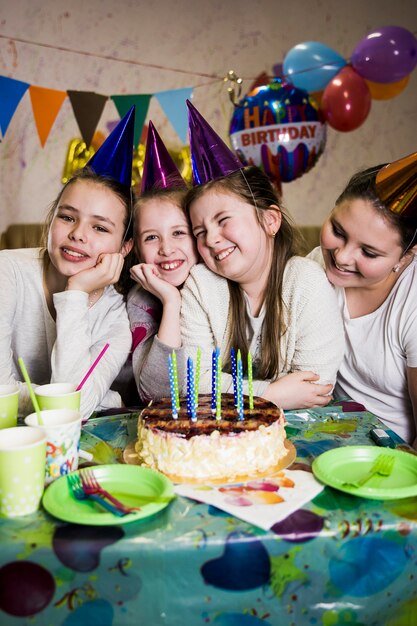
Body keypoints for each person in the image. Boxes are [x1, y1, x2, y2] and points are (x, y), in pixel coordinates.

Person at [179, 101, 345, 410]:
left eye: (223, 220)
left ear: (269, 220)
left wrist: (233, 392)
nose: (211, 239)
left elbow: (315, 389)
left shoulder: (306, 283)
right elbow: (194, 384)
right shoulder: (200, 285)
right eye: (199, 232)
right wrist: (271, 395)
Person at [0, 107, 136, 420]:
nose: (77, 234)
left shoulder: (116, 320)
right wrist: (105, 398)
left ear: (125, 247)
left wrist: (77, 292)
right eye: (67, 217)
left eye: (100, 227)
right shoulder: (6, 272)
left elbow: (74, 409)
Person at [308, 153, 417, 446]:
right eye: (338, 231)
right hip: (325, 435)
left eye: (368, 253)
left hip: (394, 457)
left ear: (407, 256)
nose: (341, 257)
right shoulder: (314, 267)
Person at [127, 122, 198, 401]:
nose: (167, 249)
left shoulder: (217, 287)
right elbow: (156, 395)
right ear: (137, 250)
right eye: (151, 238)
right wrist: (170, 301)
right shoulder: (139, 301)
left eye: (179, 233)